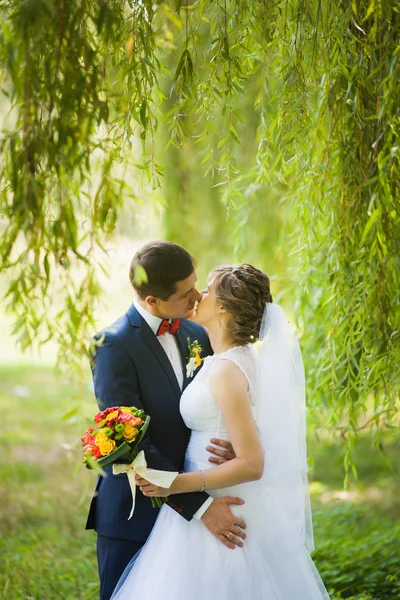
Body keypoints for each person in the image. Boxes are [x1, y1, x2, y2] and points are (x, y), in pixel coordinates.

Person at [111, 263, 331, 600]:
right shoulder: (227, 360)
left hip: (217, 497)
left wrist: (177, 484)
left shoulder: (228, 368)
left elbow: (252, 463)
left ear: (224, 307)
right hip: (211, 491)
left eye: (208, 290)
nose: (199, 296)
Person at [86, 242, 247, 600]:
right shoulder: (111, 346)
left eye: (195, 283)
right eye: (186, 292)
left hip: (194, 501)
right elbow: (130, 441)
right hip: (136, 514)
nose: (199, 295)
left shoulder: (196, 332)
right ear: (152, 302)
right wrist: (200, 504)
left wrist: (236, 435)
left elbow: (216, 399)